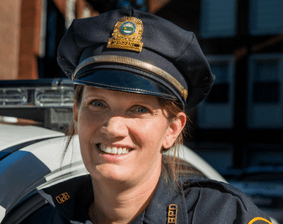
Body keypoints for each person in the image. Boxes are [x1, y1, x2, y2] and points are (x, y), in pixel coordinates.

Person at [25, 8, 272, 224]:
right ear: (76, 114)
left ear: (172, 130)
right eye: (98, 103)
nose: (113, 127)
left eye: (139, 109)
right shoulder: (40, 217)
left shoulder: (224, 216)